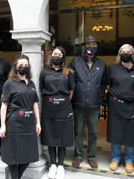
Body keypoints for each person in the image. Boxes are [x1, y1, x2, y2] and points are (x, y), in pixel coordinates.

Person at [0, 54, 41, 179]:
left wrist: (38, 122)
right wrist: (2, 125)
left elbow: (35, 104)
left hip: (29, 124)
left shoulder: (32, 84)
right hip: (13, 123)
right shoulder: (9, 83)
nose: (24, 67)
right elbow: (4, 105)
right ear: (16, 67)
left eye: (26, 65)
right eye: (21, 65)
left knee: (28, 155)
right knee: (12, 155)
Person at [106, 44, 134, 173]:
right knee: (115, 132)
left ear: (132, 54)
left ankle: (129, 160)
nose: (126, 53)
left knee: (131, 133)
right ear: (119, 54)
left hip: (133, 106)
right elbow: (108, 86)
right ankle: (115, 158)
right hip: (116, 105)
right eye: (123, 52)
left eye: (128, 52)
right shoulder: (112, 69)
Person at [69, 35, 106, 168]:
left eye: (93, 44)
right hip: (78, 103)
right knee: (78, 131)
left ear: (97, 47)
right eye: (88, 44)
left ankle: (91, 156)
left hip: (94, 104)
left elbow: (103, 85)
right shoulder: (75, 62)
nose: (91, 47)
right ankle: (78, 155)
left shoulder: (101, 64)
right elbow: (69, 80)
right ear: (84, 47)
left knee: (93, 132)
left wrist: (101, 101)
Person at [40, 46, 74, 179]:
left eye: (59, 54)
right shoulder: (44, 72)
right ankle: (52, 164)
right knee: (50, 136)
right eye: (55, 54)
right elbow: (41, 88)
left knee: (62, 136)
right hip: (48, 108)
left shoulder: (69, 72)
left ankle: (60, 165)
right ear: (50, 55)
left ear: (63, 57)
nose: (56, 56)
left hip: (63, 108)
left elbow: (71, 91)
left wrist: (61, 101)